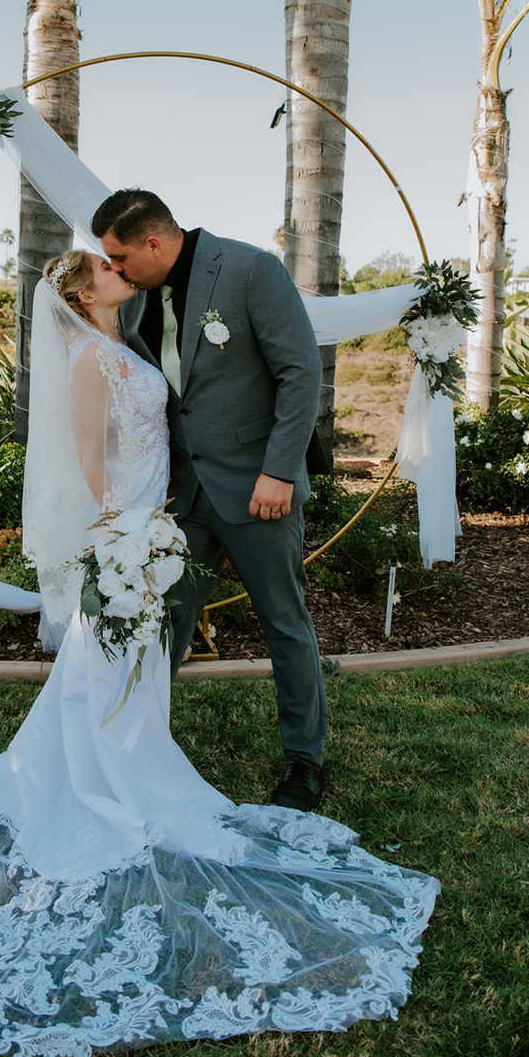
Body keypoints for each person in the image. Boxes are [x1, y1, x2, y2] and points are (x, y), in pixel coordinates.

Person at [0, 251, 438, 1057]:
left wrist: (151, 525)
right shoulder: (84, 359)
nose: (118, 273)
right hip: (128, 532)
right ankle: (107, 766)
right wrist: (121, 534)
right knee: (108, 654)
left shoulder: (130, 335)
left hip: (157, 522)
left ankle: (134, 751)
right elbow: (85, 460)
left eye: (117, 262)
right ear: (79, 293)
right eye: (104, 269)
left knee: (131, 658)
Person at [91, 189, 329, 812]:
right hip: (184, 498)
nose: (114, 270)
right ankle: (140, 750)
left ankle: (304, 763)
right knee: (162, 626)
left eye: (118, 257)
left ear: (153, 242)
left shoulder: (251, 270)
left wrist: (279, 472)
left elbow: (301, 372)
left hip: (259, 495)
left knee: (285, 625)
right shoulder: (136, 295)